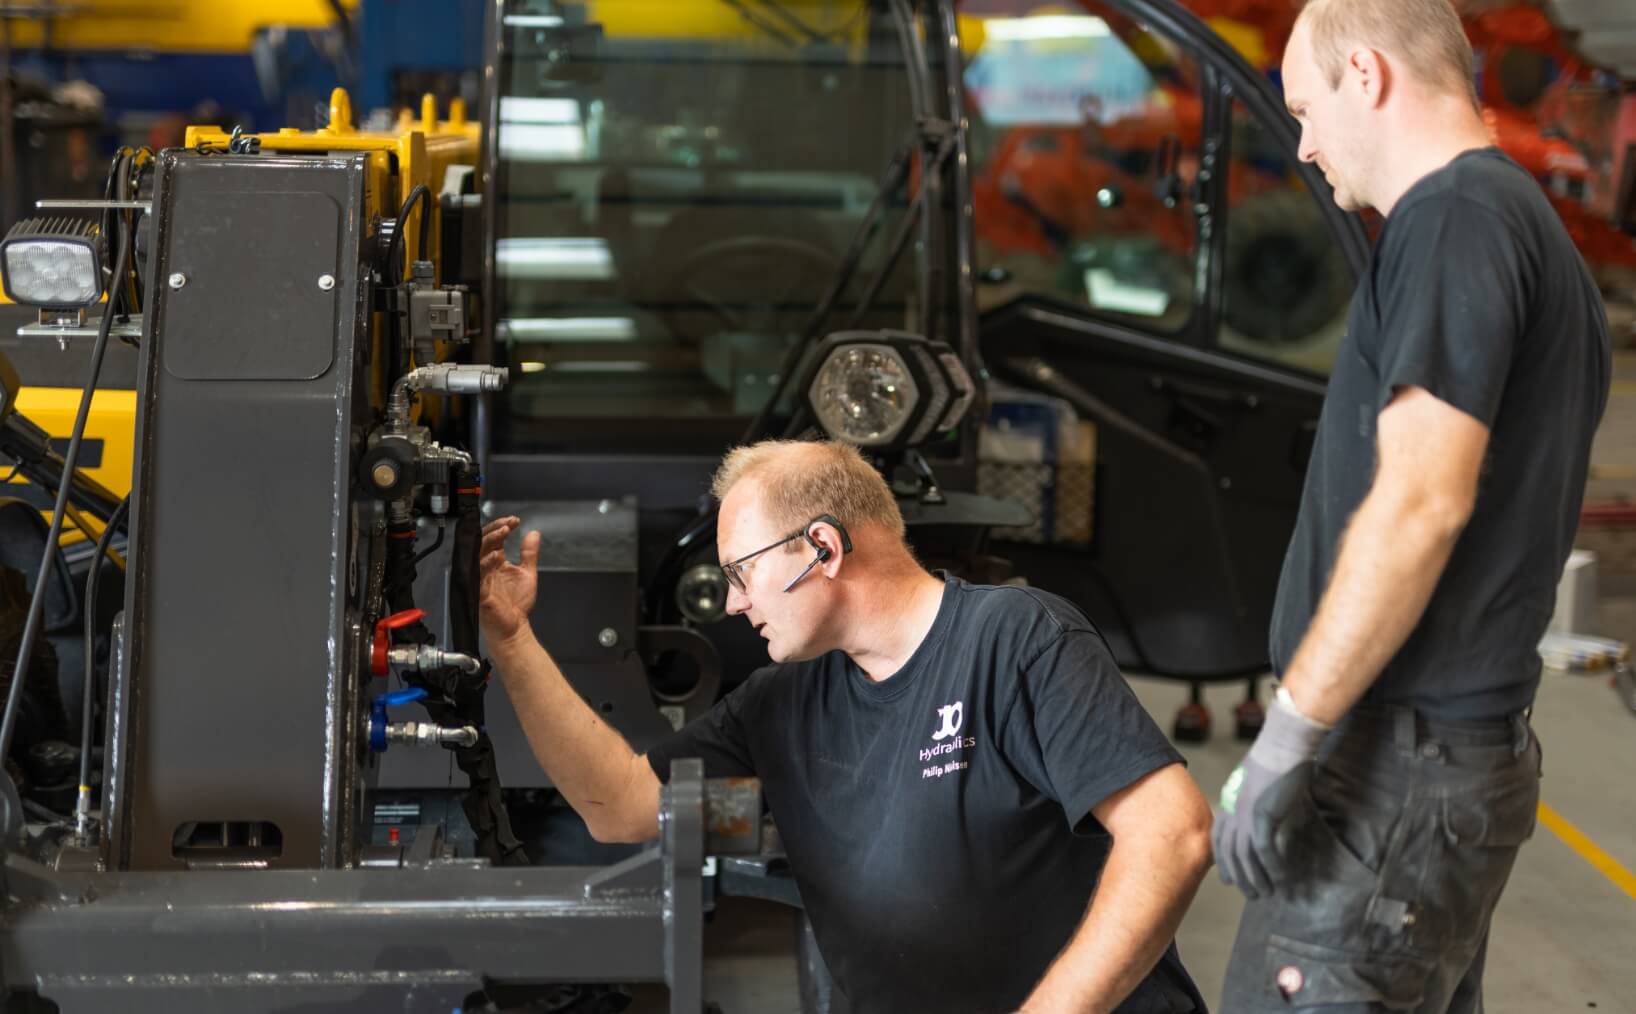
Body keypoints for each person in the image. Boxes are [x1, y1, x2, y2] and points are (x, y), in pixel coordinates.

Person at [480, 439, 1212, 1013]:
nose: (733, 604)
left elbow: (1172, 834)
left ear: (823, 549)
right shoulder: (782, 702)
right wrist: (513, 644)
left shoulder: (1015, 640)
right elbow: (618, 808)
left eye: (742, 574)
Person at [1210, 0, 1611, 1010]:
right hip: (1436, 768)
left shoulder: (1455, 217)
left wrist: (1286, 737)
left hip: (1396, 768)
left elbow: (1420, 501)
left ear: (1369, 75)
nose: (1302, 143)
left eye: (1304, 107)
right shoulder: (1520, 227)